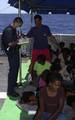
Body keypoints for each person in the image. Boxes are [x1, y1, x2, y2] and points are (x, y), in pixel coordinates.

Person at [1, 17, 23, 97]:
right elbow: (9, 44)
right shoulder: (9, 30)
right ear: (16, 22)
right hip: (12, 53)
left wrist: (18, 39)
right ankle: (10, 91)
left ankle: (13, 84)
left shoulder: (13, 29)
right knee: (12, 71)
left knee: (16, 68)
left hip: (14, 52)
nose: (19, 27)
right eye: (19, 25)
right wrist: (19, 42)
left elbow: (14, 39)